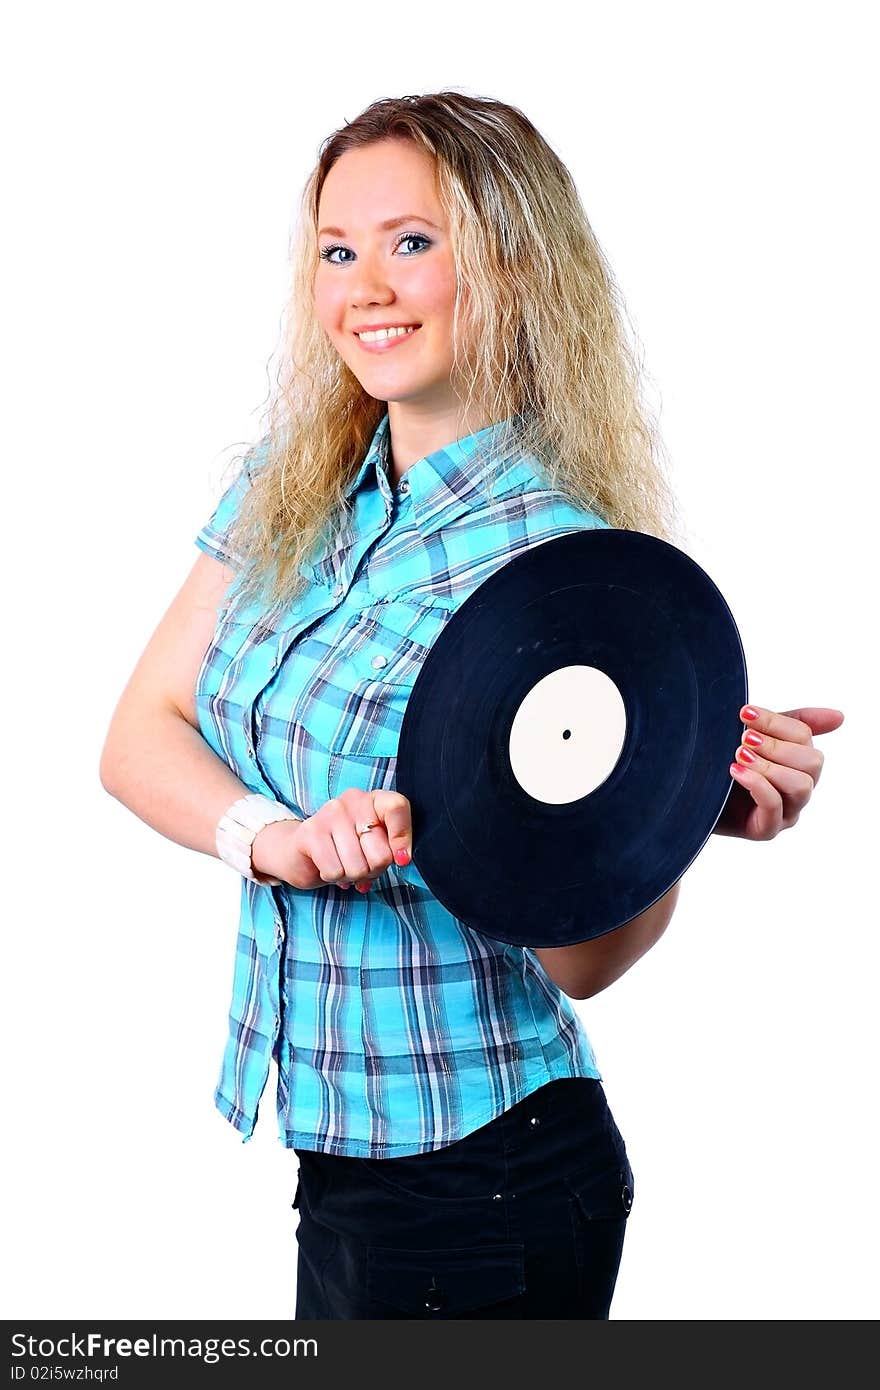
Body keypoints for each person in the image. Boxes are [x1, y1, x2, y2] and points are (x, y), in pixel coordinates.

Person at [99, 90, 844, 1320]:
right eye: (338, 250)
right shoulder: (291, 489)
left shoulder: (565, 570)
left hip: (484, 1179)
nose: (364, 288)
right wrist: (273, 837)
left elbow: (580, 959)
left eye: (412, 242)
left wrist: (667, 814)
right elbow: (139, 735)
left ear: (508, 262)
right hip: (339, 1159)